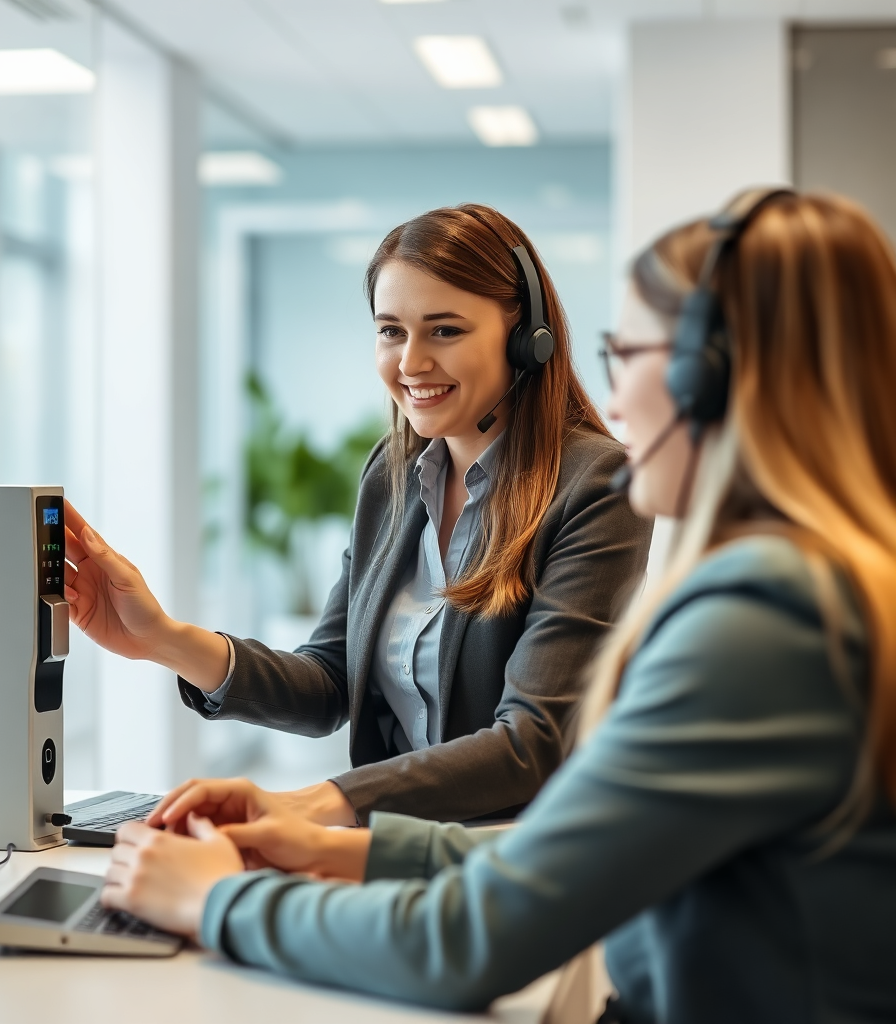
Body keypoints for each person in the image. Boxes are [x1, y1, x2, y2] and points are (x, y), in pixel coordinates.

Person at [99, 189, 896, 1023]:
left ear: (709, 376)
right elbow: (583, 847)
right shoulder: (808, 587)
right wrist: (334, 845)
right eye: (390, 329)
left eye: (633, 354)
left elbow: (479, 932)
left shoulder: (763, 620)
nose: (617, 398)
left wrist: (217, 903)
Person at [65, 204, 652, 826]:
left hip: (517, 863)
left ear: (526, 339)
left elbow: (532, 744)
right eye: (391, 331)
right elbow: (328, 683)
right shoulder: (393, 475)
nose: (410, 363)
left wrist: (316, 803)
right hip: (382, 848)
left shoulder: (596, 485)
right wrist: (161, 638)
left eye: (445, 330)